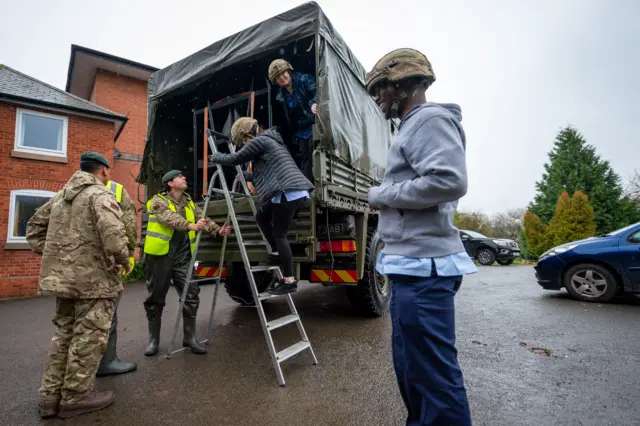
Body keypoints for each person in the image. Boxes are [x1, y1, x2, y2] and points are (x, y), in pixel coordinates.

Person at [365, 48, 477, 426]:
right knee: (414, 374)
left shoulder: (428, 120)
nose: (378, 98)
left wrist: (381, 194)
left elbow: (449, 180)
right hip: (412, 270)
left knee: (435, 382)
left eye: (380, 88)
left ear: (402, 84)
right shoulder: (411, 125)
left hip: (425, 273)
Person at [26, 152, 132, 419]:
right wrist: (122, 260)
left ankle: (50, 398)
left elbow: (34, 229)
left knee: (63, 336)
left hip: (65, 280)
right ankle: (75, 396)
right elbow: (113, 235)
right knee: (89, 337)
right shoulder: (100, 194)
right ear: (105, 171)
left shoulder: (62, 196)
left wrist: (62, 257)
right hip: (94, 282)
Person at [209, 117, 314, 295]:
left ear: (244, 133)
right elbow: (264, 173)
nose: (242, 144)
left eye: (241, 140)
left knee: (280, 234)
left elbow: (235, 158)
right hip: (289, 190)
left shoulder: (260, 141)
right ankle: (275, 252)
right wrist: (246, 176)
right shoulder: (270, 142)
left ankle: (289, 281)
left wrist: (215, 157)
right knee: (261, 216)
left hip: (285, 192)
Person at [143, 170, 231, 356]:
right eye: (179, 176)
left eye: (184, 175)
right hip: (160, 257)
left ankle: (189, 338)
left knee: (191, 293)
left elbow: (202, 219)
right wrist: (191, 226)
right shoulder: (157, 201)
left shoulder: (189, 202)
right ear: (170, 183)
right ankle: (153, 341)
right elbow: (168, 218)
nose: (184, 178)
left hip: (182, 257)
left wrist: (217, 230)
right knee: (156, 297)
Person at [96, 178, 138, 376]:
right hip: (107, 264)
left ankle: (68, 376)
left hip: (73, 270)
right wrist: (125, 257)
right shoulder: (115, 189)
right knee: (108, 314)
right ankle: (106, 362)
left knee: (71, 321)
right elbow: (127, 226)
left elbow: (37, 226)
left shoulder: (67, 190)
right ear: (104, 169)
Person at [268, 58, 317, 182]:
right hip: (300, 131)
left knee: (312, 155)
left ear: (288, 71)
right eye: (278, 77)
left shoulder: (304, 79)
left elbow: (319, 92)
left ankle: (309, 185)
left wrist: (313, 103)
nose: (282, 77)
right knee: (302, 157)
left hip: (314, 124)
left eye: (283, 73)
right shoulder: (281, 96)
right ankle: (304, 185)